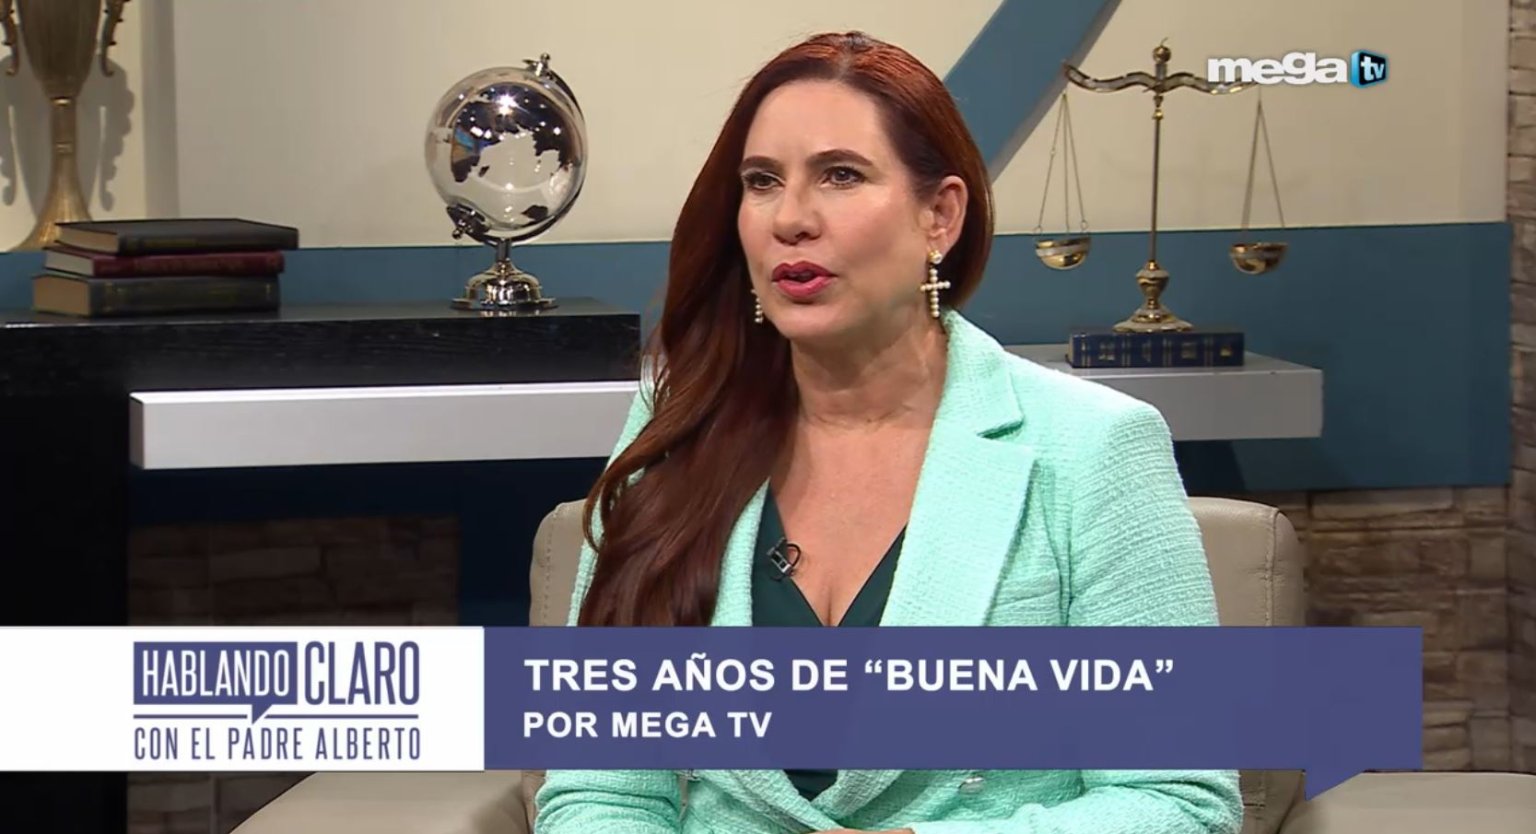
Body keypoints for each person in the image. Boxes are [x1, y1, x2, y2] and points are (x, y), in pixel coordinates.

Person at [533, 30, 1242, 834]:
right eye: (762, 182)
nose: (790, 219)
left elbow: (1179, 803)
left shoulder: (1091, 447)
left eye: (841, 175)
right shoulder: (678, 427)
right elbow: (603, 793)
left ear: (939, 215)